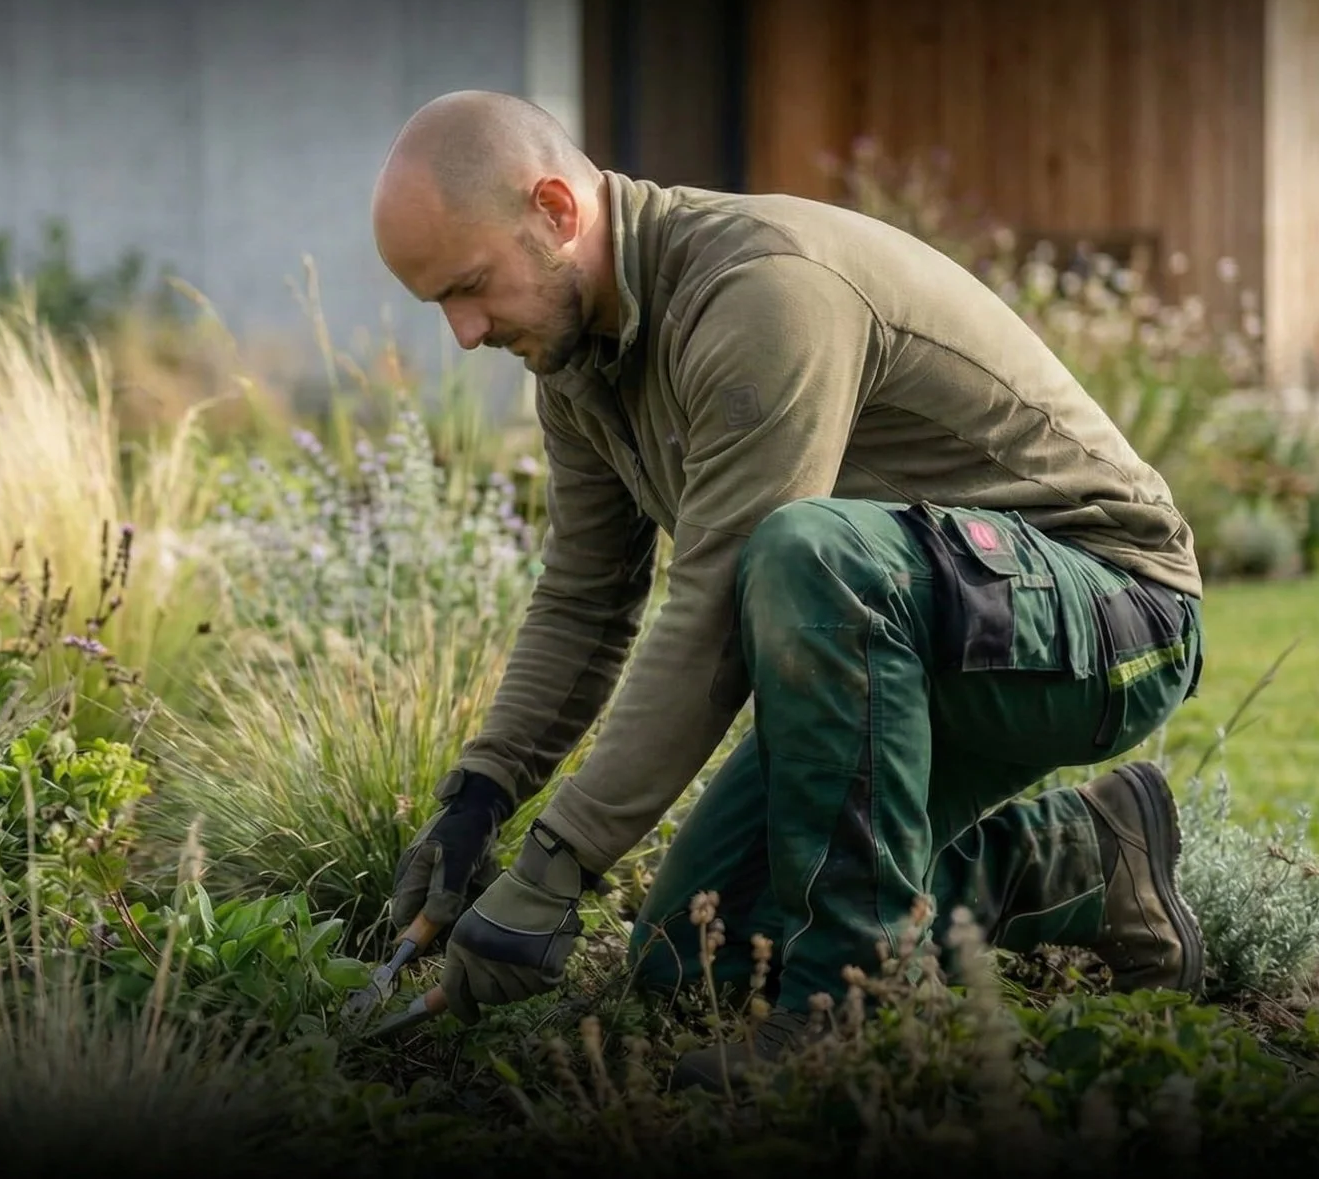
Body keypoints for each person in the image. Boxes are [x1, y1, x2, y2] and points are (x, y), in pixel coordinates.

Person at [370, 91, 1206, 1094]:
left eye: (470, 287)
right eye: (440, 307)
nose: (463, 334)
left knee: (803, 553)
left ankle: (847, 1009)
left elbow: (714, 610)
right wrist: (480, 798)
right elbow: (587, 598)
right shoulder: (579, 362)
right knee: (697, 948)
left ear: (554, 210)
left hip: (1113, 616)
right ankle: (1088, 861)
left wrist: (556, 867)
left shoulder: (760, 291)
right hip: (913, 633)